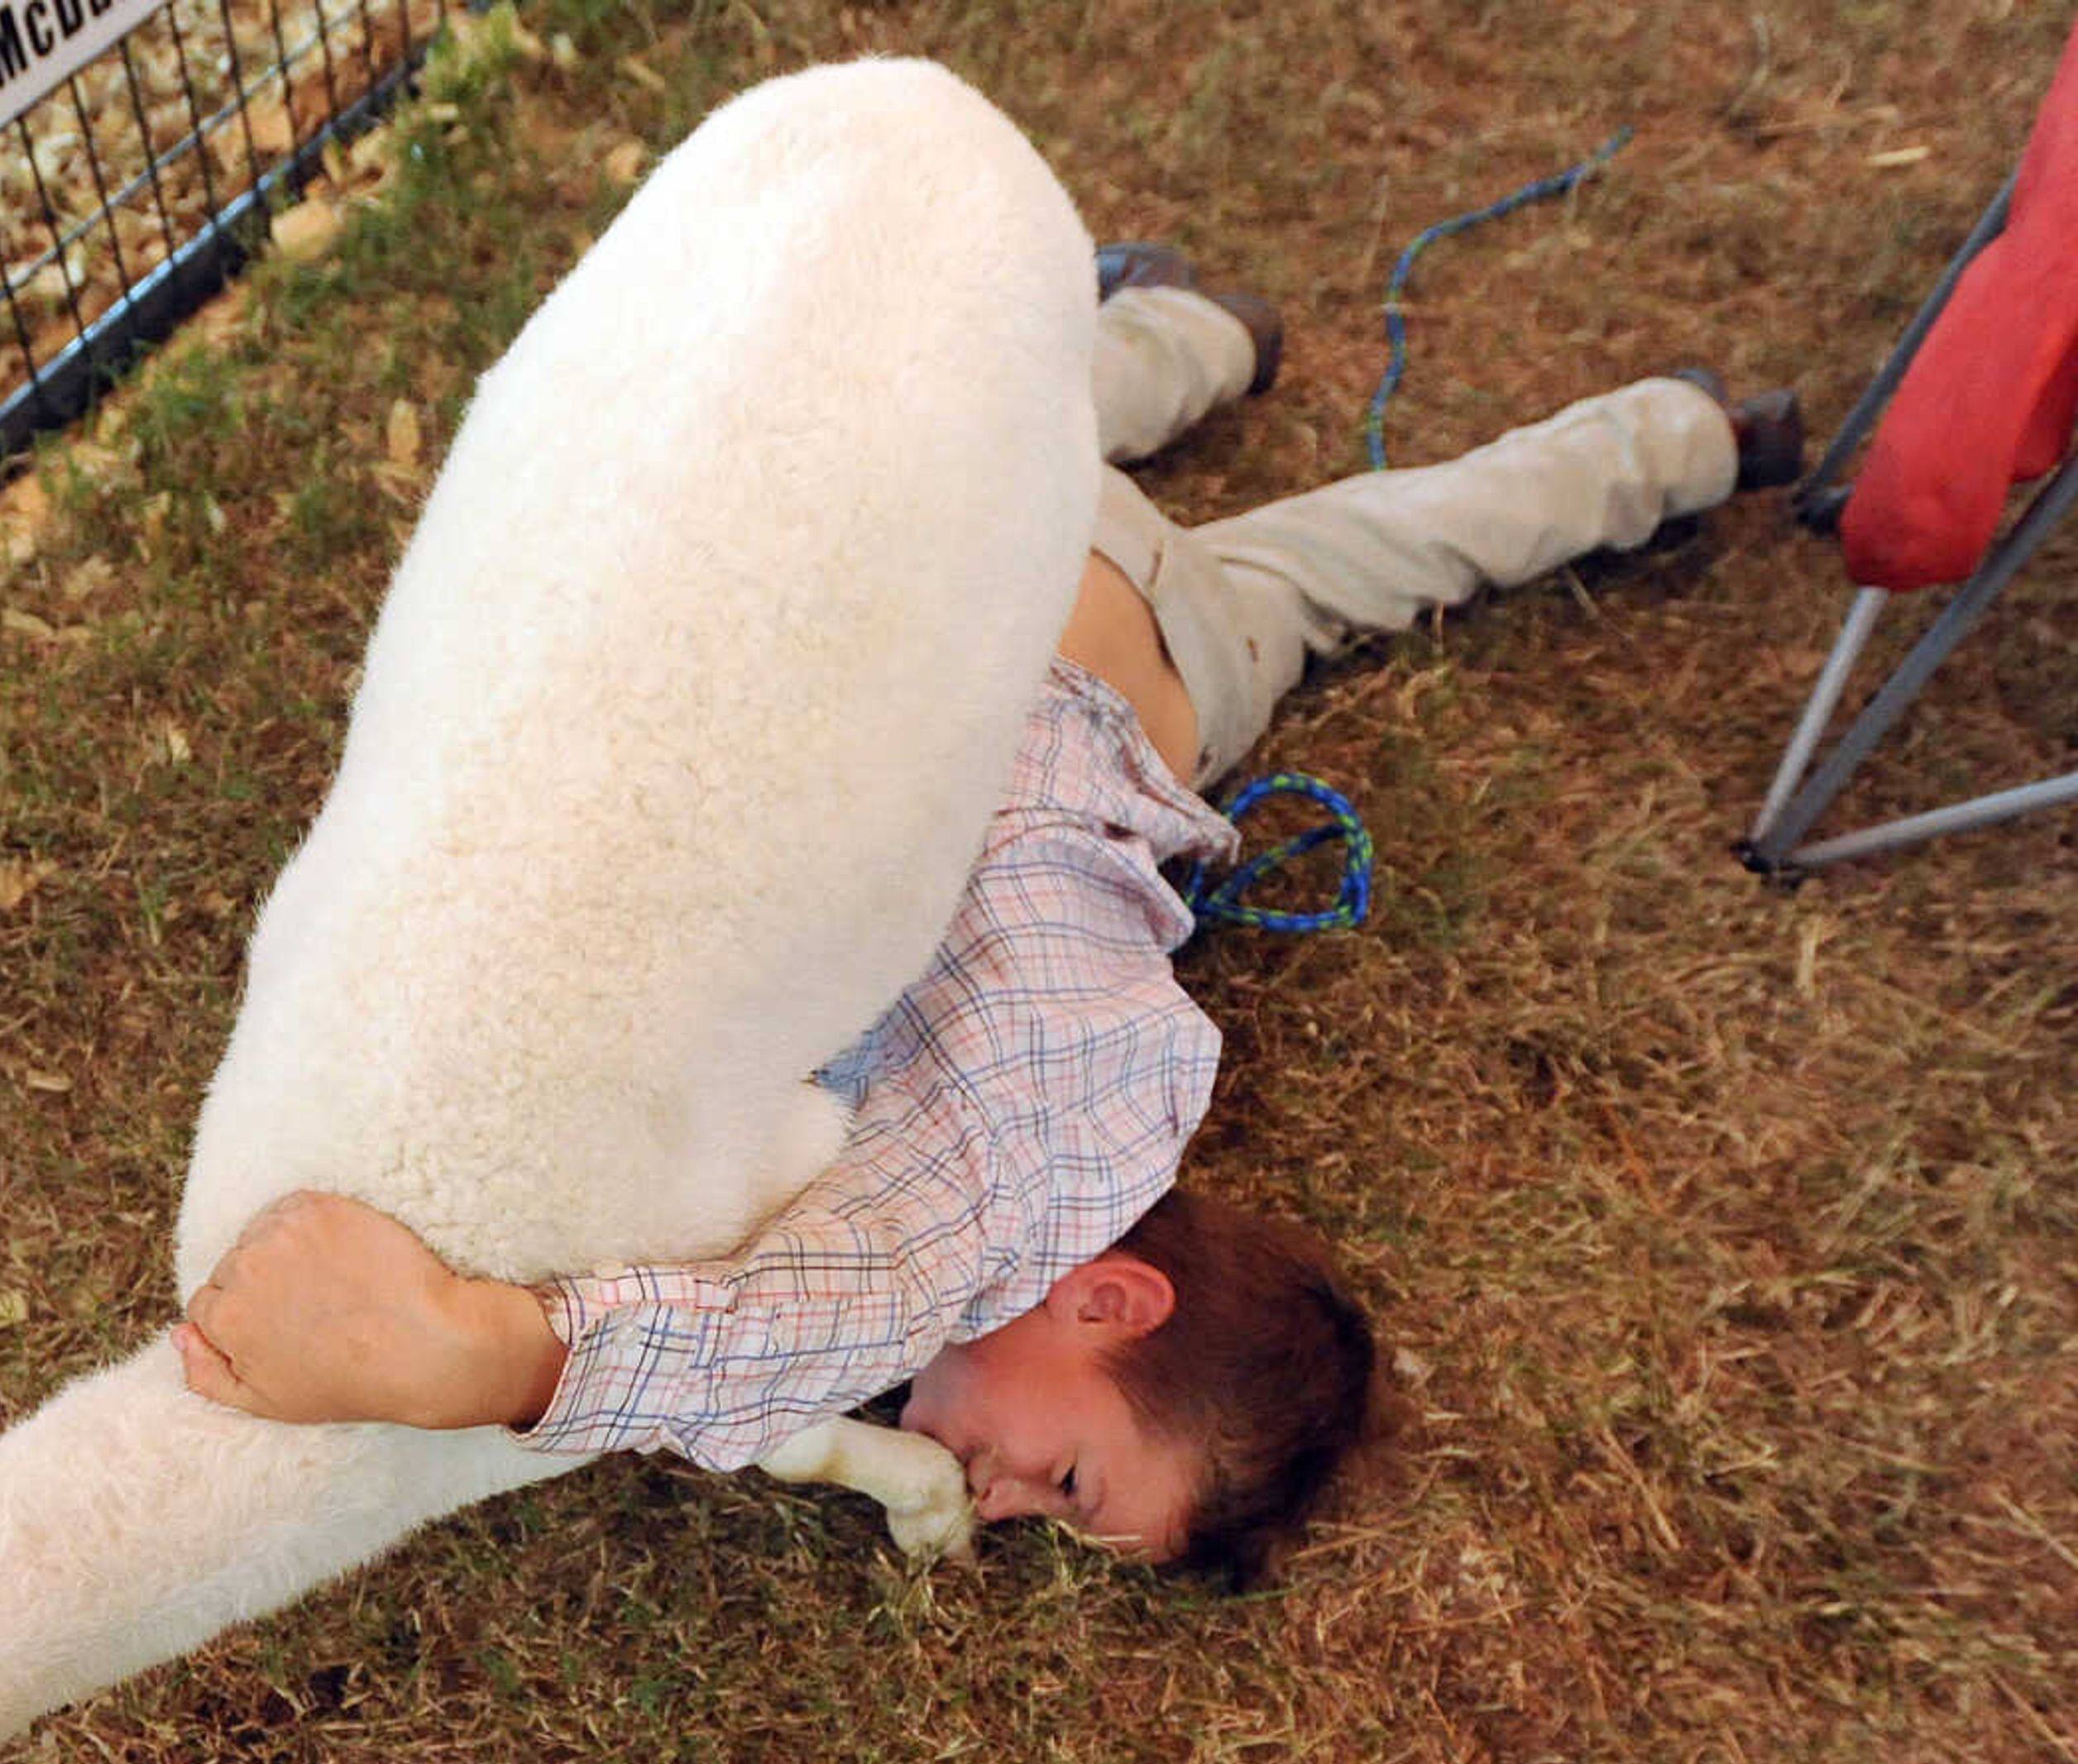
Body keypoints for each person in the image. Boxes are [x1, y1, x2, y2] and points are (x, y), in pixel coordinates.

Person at [175, 249, 1805, 1585]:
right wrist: (491, 1355)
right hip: (1028, 599)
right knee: (1097, 451)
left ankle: (1444, 382)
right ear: (1111, 1302)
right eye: (1072, 1479)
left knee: (1359, 542)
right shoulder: (1021, 1183)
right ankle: (1603, 419)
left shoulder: (1113, 1113)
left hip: (1170, 682)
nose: (1004, 1500)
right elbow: (844, 1296)